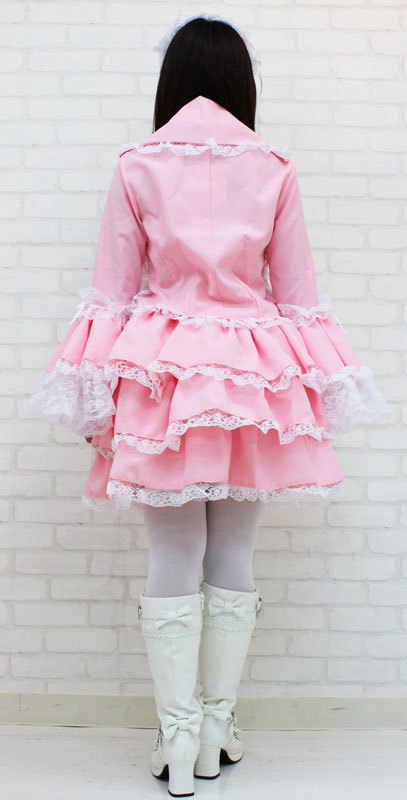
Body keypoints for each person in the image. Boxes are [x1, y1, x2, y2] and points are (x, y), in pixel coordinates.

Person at [30, 14, 391, 798]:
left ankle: (178, 739)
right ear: (241, 83)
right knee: (232, 551)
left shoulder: (137, 165)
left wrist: (95, 398)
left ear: (171, 80)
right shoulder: (273, 167)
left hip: (161, 376)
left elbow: (112, 294)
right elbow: (295, 299)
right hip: (252, 378)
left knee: (171, 551)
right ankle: (216, 730)